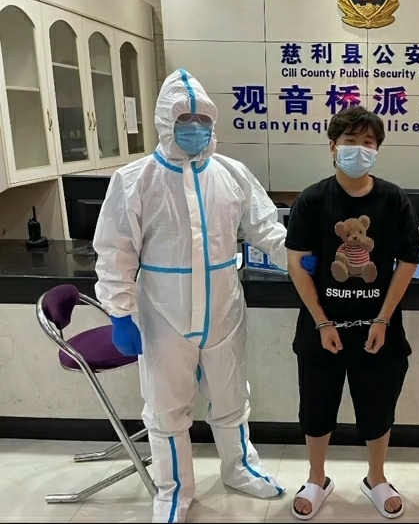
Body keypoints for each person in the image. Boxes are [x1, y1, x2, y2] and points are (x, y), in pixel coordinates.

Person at [94, 69, 307, 523]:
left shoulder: (231, 173)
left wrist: (293, 255)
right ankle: (173, 491)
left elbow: (264, 226)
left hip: (223, 309)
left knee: (231, 397)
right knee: (167, 408)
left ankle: (240, 469)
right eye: (184, 118)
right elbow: (115, 250)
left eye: (203, 119)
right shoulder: (135, 179)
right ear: (165, 121)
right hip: (163, 314)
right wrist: (119, 312)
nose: (195, 127)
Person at [286, 105, 419, 520]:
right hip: (321, 326)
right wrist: (322, 321)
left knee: (378, 407)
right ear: (333, 147)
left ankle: (376, 478)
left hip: (378, 328)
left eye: (368, 142)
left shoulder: (394, 200)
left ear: (377, 149)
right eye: (350, 141)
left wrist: (383, 318)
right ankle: (317, 478)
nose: (359, 149)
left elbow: (407, 262)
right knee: (316, 407)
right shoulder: (312, 199)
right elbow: (296, 263)